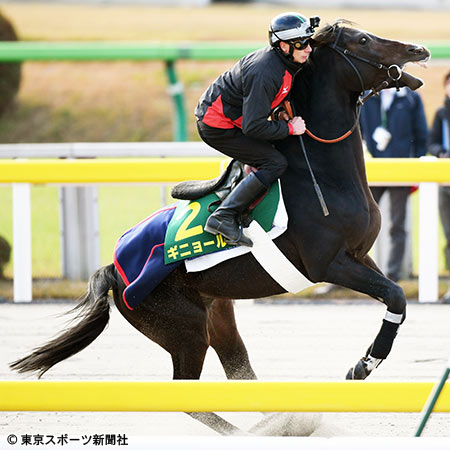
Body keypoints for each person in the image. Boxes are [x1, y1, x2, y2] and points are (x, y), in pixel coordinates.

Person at [195, 12, 321, 247]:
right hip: (216, 126)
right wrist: (289, 128)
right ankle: (223, 216)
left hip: (232, 119)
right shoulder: (266, 71)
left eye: (309, 41)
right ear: (284, 46)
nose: (308, 49)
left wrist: (278, 116)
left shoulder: (286, 62)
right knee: (275, 162)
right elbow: (253, 126)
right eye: (301, 44)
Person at [360, 87, 428, 282]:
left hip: (401, 171)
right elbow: (357, 130)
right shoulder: (367, 97)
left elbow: (421, 134)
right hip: (372, 171)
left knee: (397, 224)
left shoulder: (411, 98)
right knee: (363, 222)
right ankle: (356, 270)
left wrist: (415, 165)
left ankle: (392, 275)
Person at [428, 70, 450, 303]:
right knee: (449, 234)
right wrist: (440, 153)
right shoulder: (441, 114)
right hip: (445, 181)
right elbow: (431, 142)